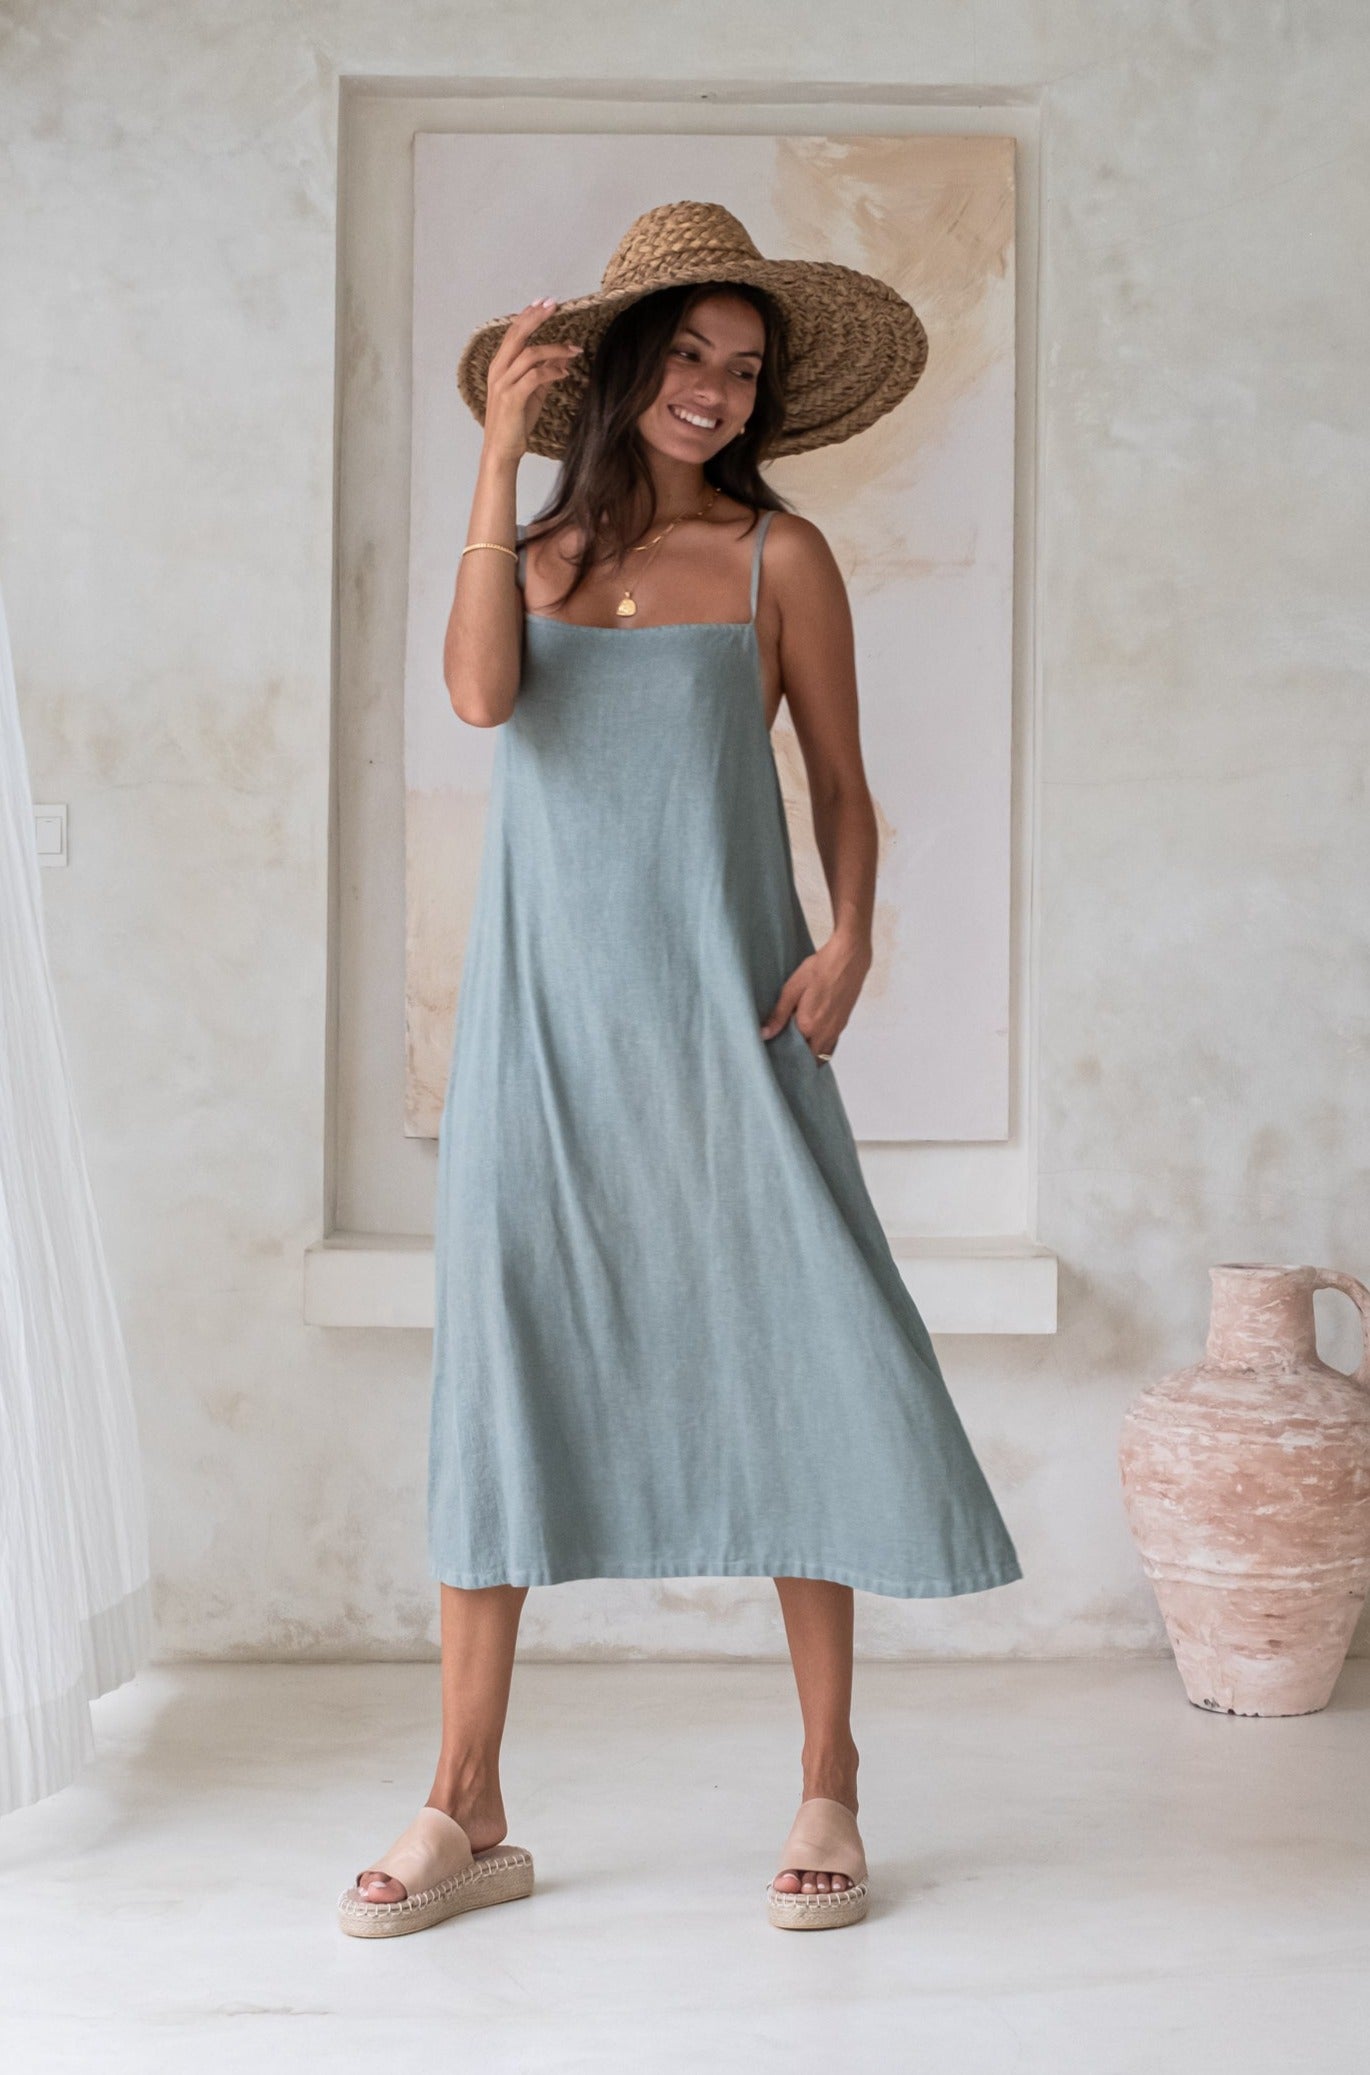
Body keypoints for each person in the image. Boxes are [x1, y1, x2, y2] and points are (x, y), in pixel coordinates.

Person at [338, 202, 1021, 1941]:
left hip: (734, 1024)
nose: (718, 391)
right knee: (503, 1387)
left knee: (803, 1349)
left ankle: (827, 1776)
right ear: (622, 367)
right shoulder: (537, 565)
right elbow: (483, 702)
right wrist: (500, 458)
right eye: (693, 357)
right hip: (542, 1044)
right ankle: (465, 1803)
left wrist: (851, 936)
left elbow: (848, 787)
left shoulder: (781, 559)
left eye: (745, 369)